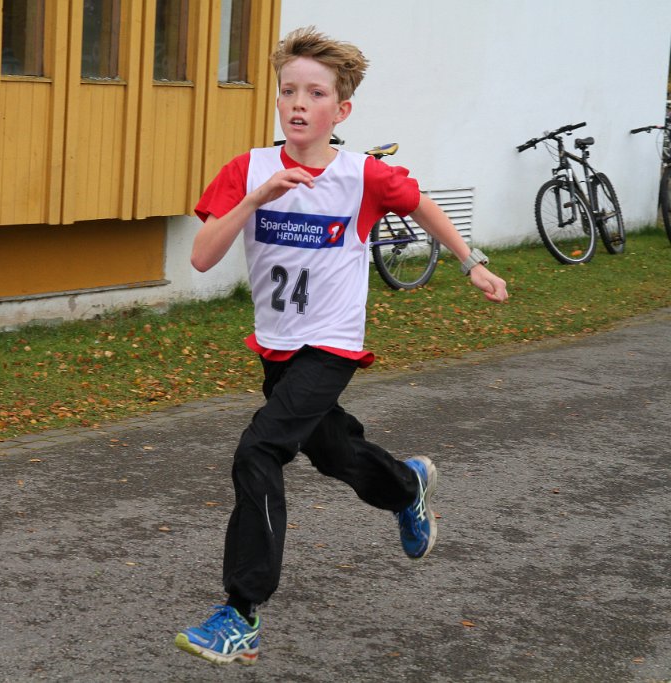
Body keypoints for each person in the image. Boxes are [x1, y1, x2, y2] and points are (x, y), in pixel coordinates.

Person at [174, 26, 509, 666]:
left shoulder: (362, 176)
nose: (298, 103)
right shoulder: (249, 169)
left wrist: (471, 262)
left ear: (341, 109)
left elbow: (421, 204)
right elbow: (201, 256)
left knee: (259, 449)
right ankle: (405, 486)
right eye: (288, 91)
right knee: (333, 452)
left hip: (330, 347)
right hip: (276, 347)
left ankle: (241, 612)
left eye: (315, 93)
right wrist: (257, 198)